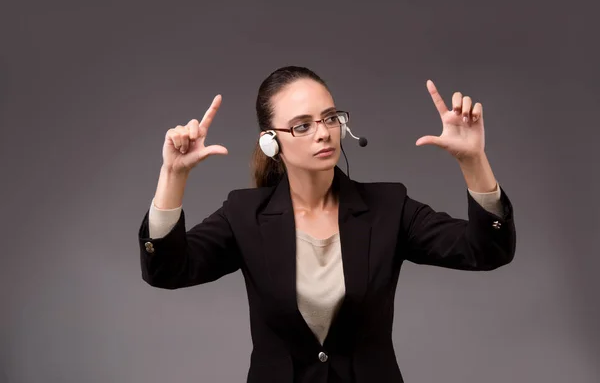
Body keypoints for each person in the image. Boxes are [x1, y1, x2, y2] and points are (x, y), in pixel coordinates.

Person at [137, 66, 516, 383]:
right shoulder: (244, 214)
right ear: (271, 142)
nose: (323, 132)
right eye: (301, 126)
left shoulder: (388, 207)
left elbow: (486, 251)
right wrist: (173, 175)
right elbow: (167, 270)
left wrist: (473, 161)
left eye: (330, 118)